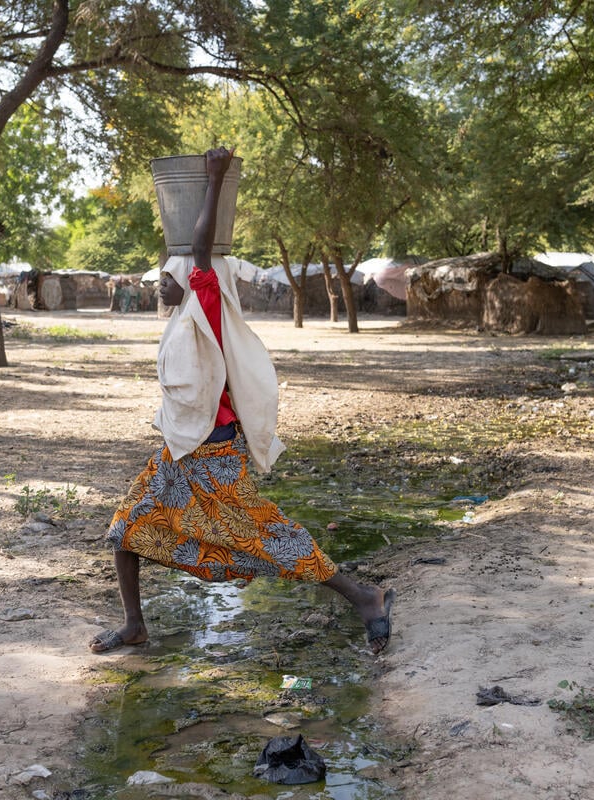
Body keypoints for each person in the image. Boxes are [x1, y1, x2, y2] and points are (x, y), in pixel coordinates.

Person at [90, 147, 394, 655]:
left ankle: (365, 597)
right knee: (125, 530)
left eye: (168, 275)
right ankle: (134, 625)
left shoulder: (204, 303)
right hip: (179, 454)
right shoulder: (180, 322)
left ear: (191, 278)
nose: (160, 284)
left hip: (215, 457)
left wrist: (213, 179)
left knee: (269, 538)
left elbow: (203, 249)